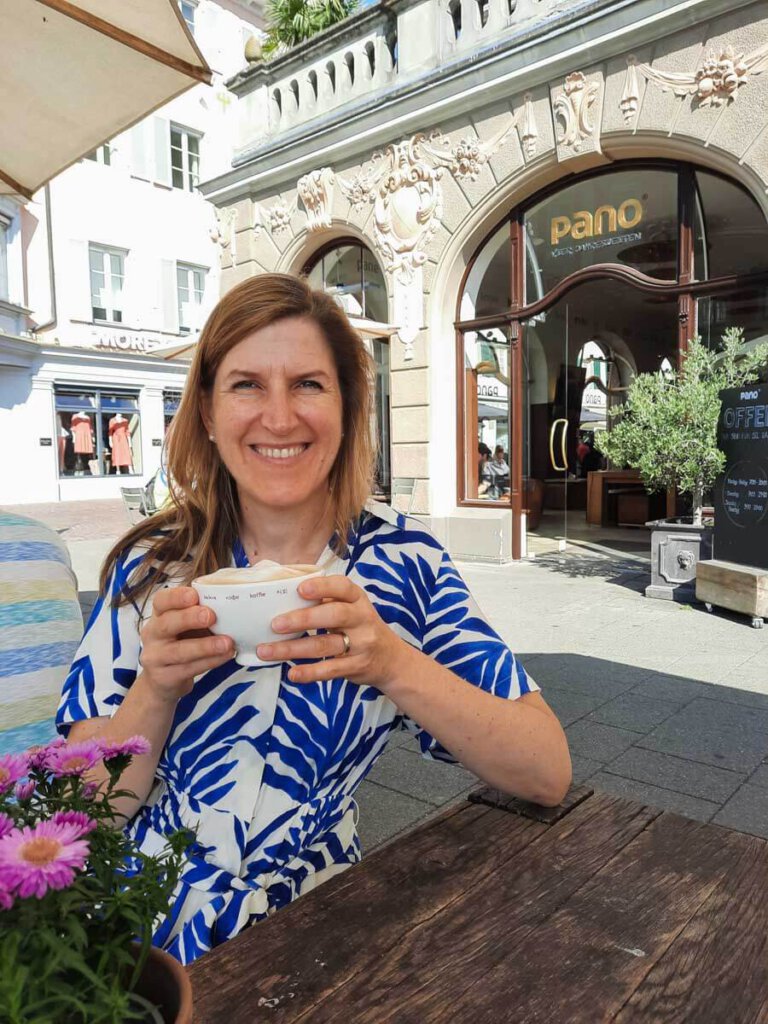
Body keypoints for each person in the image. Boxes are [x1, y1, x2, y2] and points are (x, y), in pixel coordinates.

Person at [56, 274, 571, 966]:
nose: (278, 417)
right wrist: (155, 689)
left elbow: (546, 771)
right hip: (137, 929)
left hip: (319, 930)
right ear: (206, 412)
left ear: (347, 406)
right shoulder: (154, 567)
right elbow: (84, 819)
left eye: (307, 384)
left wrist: (392, 662)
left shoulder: (406, 561)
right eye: (245, 385)